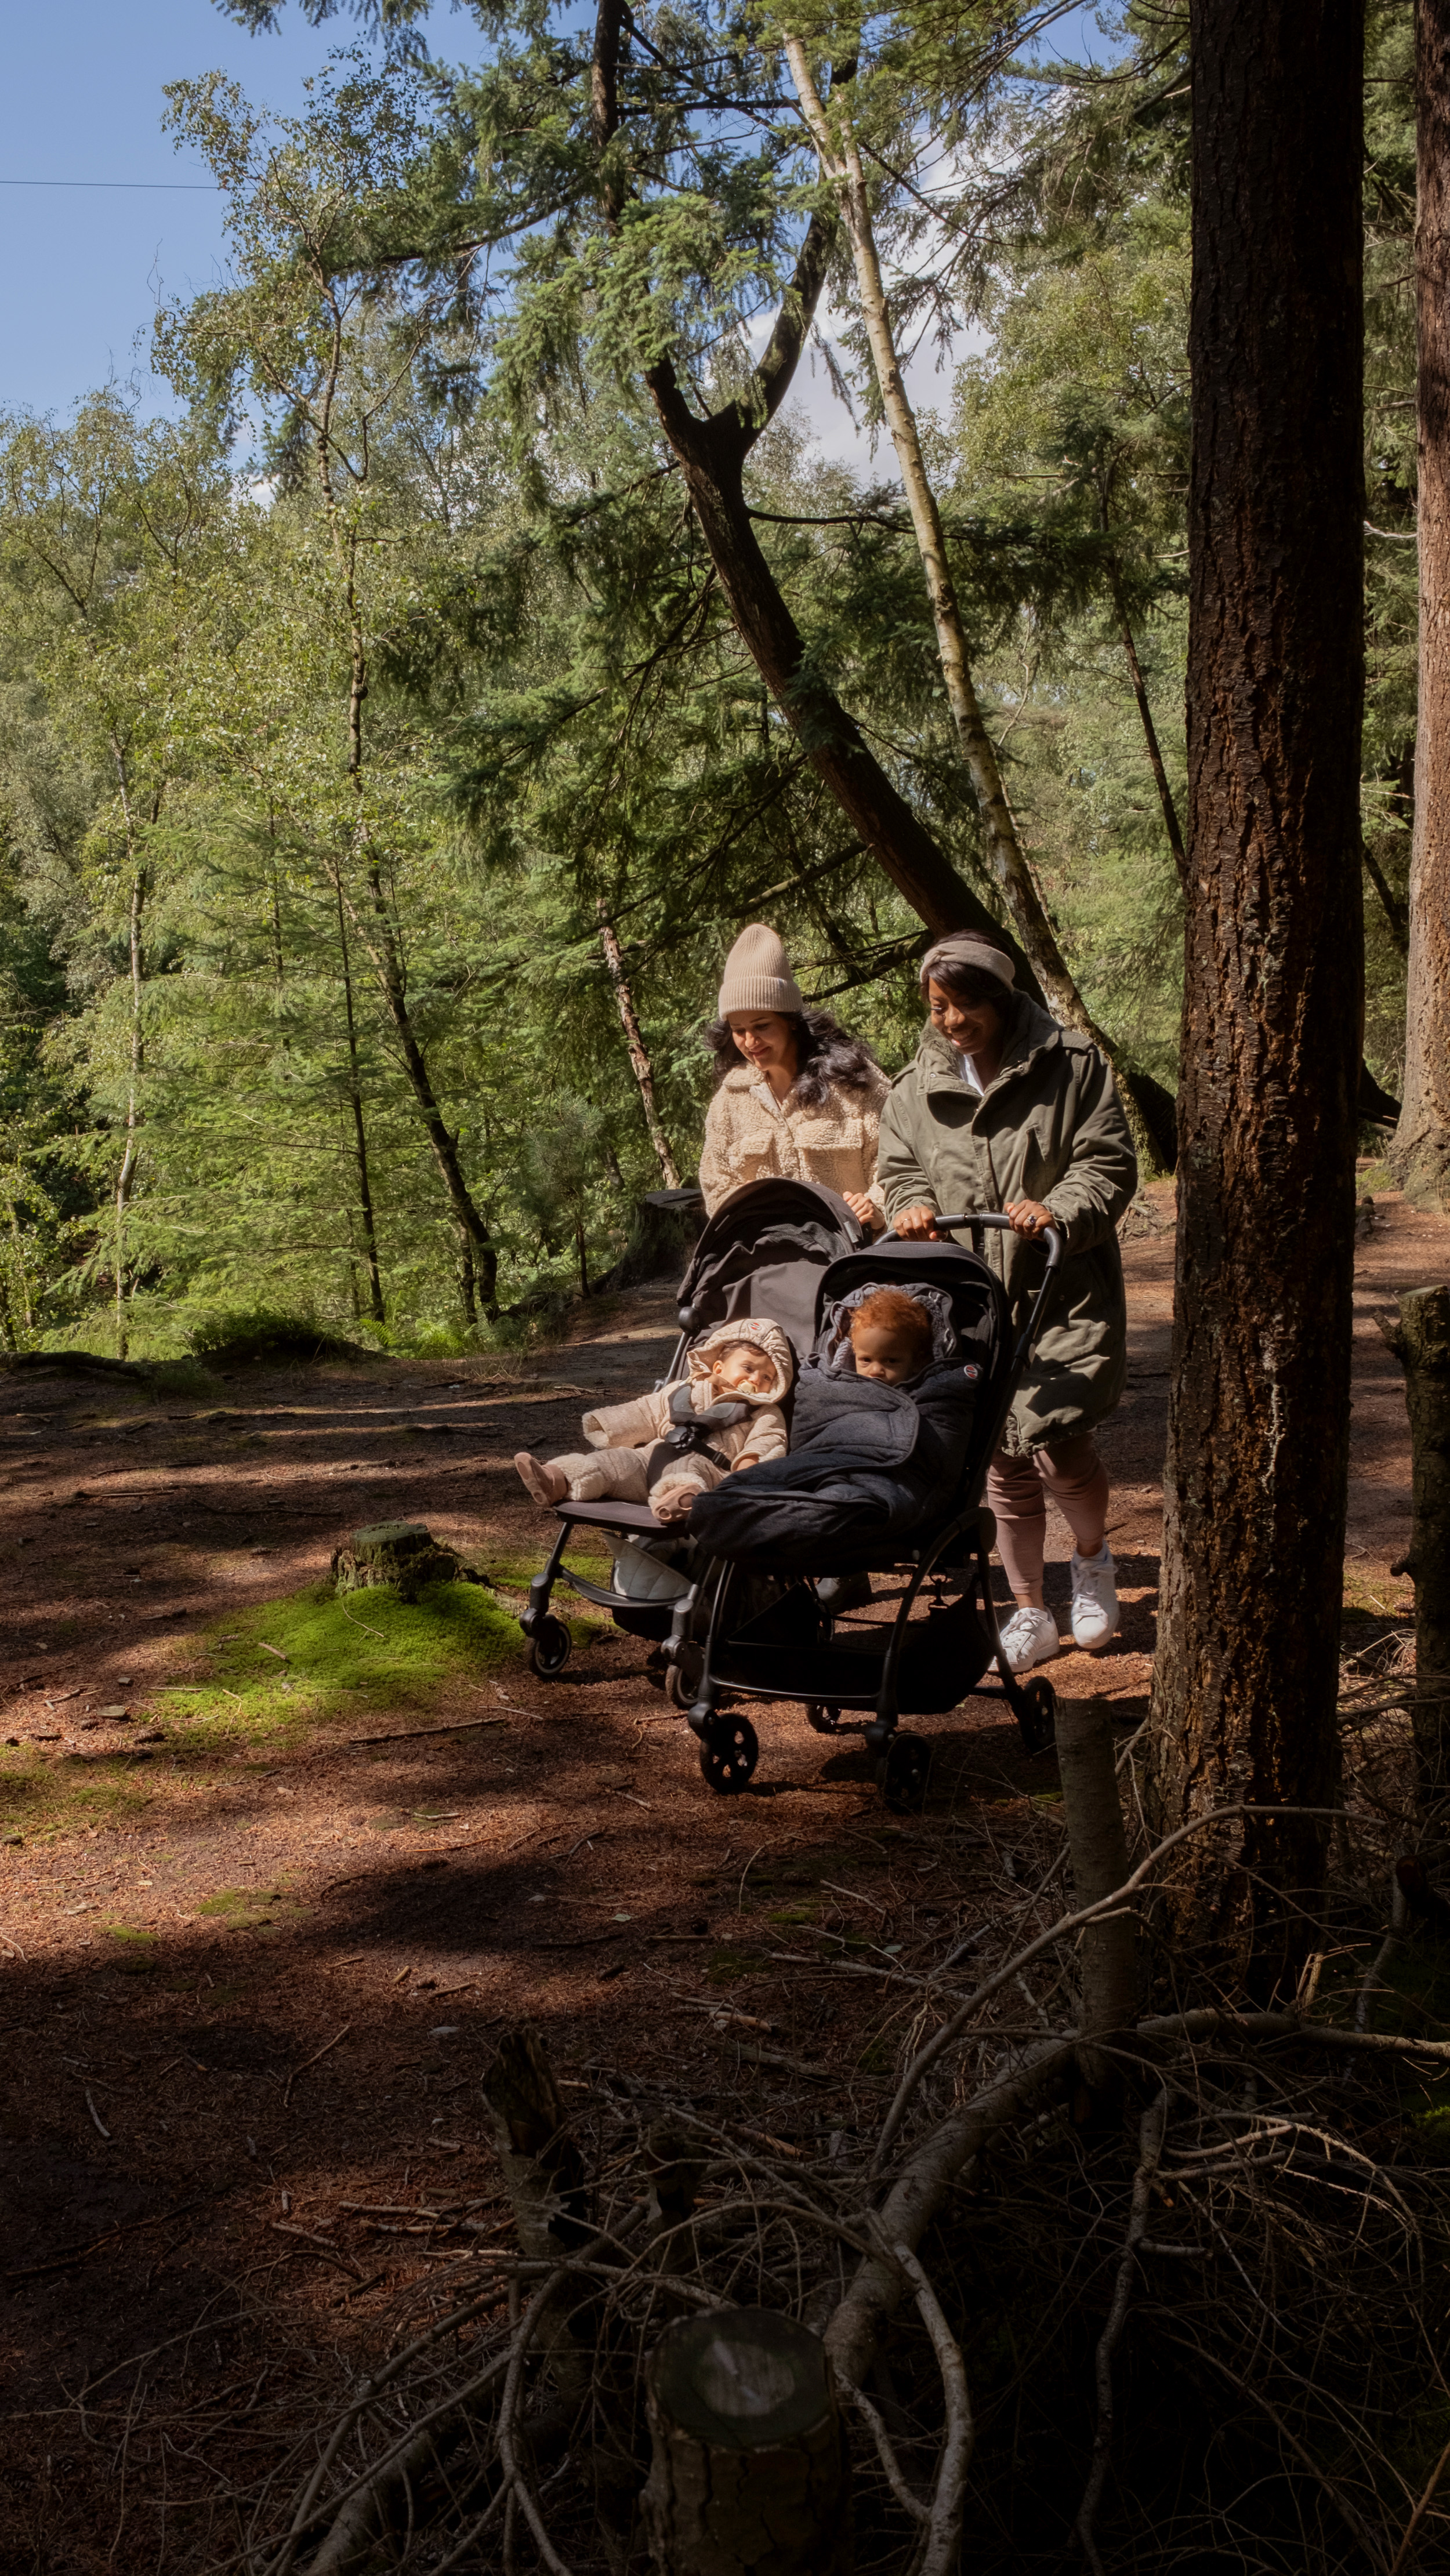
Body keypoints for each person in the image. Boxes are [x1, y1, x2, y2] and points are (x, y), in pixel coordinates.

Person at [876, 934, 1137, 1671]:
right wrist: (912, 1204)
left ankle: (1091, 1560)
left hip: (1058, 1286)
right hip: (966, 1300)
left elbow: (1107, 1160)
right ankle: (1029, 1611)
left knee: (1059, 1445)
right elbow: (896, 1166)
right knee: (999, 1462)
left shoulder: (1072, 1064)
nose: (951, 1021)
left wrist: (1059, 1209)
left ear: (1001, 1001)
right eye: (938, 1008)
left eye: (964, 1005)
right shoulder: (913, 1086)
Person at [699, 923, 890, 1227]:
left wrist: (876, 1206)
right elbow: (716, 1186)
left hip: (858, 1259)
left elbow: (898, 1163)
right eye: (739, 1031)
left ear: (791, 1020)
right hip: (773, 1262)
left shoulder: (855, 1081)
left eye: (762, 1026)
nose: (750, 1042)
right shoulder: (729, 1100)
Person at [513, 1319, 792, 1524]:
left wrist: (747, 1469)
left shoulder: (762, 1412)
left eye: (767, 1377)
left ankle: (680, 1502)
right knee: (616, 1461)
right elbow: (647, 1410)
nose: (756, 1379)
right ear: (718, 1368)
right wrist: (607, 1424)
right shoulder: (684, 1390)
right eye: (748, 1368)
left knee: (690, 1467)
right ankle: (555, 1479)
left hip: (710, 1471)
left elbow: (769, 1441)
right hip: (652, 1457)